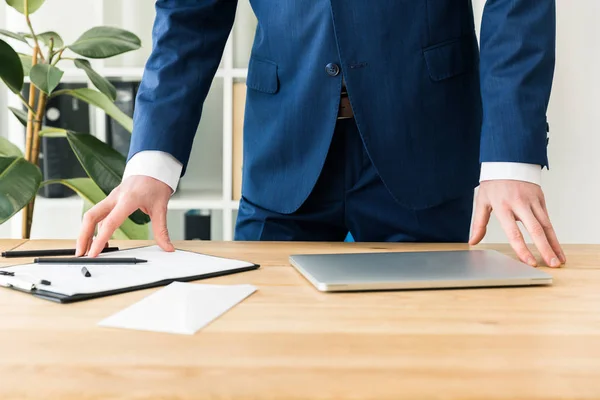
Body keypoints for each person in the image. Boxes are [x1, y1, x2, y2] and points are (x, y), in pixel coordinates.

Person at [76, 0, 565, 269]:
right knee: (267, 351)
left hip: (424, 139)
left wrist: (508, 157)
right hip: (284, 145)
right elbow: (189, 16)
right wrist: (152, 162)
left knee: (422, 355)